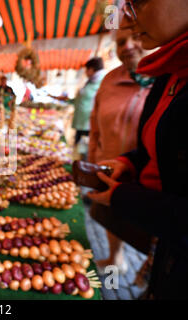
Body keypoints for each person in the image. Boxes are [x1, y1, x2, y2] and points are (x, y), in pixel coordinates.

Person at [87, 0, 188, 299]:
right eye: (120, 40)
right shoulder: (169, 76)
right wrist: (128, 162)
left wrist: (125, 198)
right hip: (165, 243)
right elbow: (153, 147)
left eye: (140, 1)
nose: (128, 17)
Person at [88, 28, 154, 275]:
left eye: (135, 37)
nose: (127, 46)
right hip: (109, 164)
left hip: (146, 175)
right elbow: (94, 123)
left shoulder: (169, 79)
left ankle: (148, 268)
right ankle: (115, 257)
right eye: (120, 42)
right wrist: (93, 159)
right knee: (111, 215)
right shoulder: (110, 80)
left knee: (145, 225)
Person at [71, 57, 106, 146]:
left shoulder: (103, 82)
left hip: (89, 125)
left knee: (84, 151)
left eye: (86, 69)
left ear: (91, 69)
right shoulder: (90, 82)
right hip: (82, 124)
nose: (85, 72)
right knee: (78, 151)